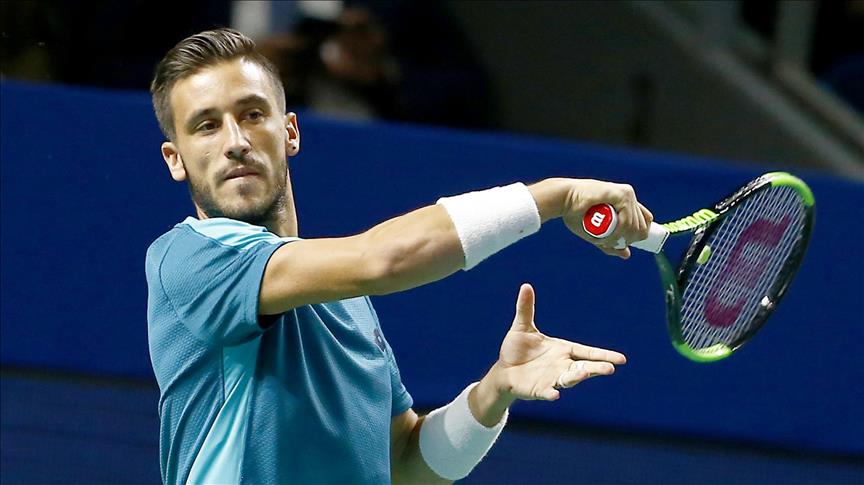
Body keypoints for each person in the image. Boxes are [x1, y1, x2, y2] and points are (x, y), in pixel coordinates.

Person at [146, 28, 652, 484]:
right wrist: (554, 197)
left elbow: (406, 461)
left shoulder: (347, 302)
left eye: (253, 114)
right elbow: (380, 260)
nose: (235, 141)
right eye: (207, 126)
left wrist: (493, 392)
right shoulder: (188, 260)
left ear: (290, 131)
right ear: (176, 159)